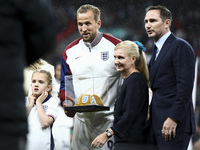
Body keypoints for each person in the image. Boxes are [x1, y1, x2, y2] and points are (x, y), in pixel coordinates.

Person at [59, 4, 123, 150]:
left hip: (109, 122)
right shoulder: (69, 52)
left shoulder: (116, 46)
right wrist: (67, 102)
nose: (84, 28)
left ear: (98, 23)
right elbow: (65, 83)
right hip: (81, 123)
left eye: (88, 23)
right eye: (80, 24)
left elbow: (130, 79)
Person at [0, 0, 56, 150]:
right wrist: (13, 61)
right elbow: (46, 33)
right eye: (34, 81)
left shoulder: (50, 102)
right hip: (7, 115)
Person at [144, 5, 196, 150]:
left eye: (153, 21)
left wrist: (174, 117)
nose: (148, 25)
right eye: (146, 21)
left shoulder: (180, 46)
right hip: (158, 122)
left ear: (167, 23)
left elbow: (185, 87)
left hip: (173, 124)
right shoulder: (156, 50)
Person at [91, 41, 149, 150]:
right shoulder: (130, 80)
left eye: (121, 58)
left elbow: (130, 115)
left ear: (133, 59)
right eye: (115, 57)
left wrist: (107, 133)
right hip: (127, 142)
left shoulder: (135, 80)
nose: (116, 61)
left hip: (131, 144)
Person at [26, 70, 58, 150]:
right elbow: (19, 122)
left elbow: (45, 123)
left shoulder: (52, 101)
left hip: (44, 146)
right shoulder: (26, 101)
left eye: (41, 82)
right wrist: (30, 105)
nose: (36, 84)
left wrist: (38, 103)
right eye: (34, 81)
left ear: (48, 87)